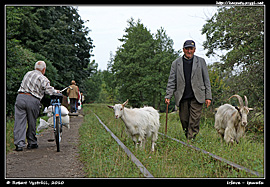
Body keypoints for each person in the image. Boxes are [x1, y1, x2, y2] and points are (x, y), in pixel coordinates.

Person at [165, 40, 212, 141]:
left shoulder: (201, 61)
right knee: (184, 120)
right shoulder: (176, 63)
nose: (189, 51)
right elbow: (171, 81)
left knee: (194, 120)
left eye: (191, 49)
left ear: (194, 50)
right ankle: (188, 136)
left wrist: (208, 97)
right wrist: (168, 96)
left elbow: (206, 80)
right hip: (182, 96)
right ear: (183, 50)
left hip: (197, 96)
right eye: (187, 49)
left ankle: (191, 140)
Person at [14, 61, 59, 151]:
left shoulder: (28, 74)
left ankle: (19, 144)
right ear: (44, 70)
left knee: (19, 122)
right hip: (33, 99)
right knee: (32, 121)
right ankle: (32, 143)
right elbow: (48, 90)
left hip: (20, 97)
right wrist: (56, 92)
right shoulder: (43, 78)